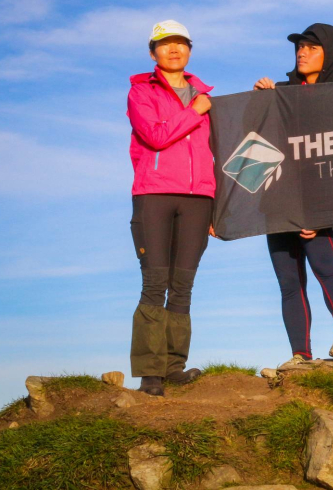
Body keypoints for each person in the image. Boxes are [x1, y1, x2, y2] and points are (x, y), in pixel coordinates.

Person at [251, 23, 333, 366]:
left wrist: (322, 211)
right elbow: (251, 144)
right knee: (288, 282)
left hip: (317, 206)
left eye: (312, 47)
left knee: (327, 269)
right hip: (277, 204)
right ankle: (300, 356)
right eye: (299, 46)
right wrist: (258, 104)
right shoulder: (279, 92)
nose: (302, 52)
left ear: (329, 56)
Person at [127, 20, 214, 396]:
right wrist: (195, 111)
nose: (174, 49)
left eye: (180, 43)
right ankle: (150, 374)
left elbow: (222, 154)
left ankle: (174, 367)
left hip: (200, 200)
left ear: (190, 50)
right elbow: (156, 137)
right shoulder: (141, 94)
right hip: (155, 195)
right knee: (155, 283)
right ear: (153, 53)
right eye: (165, 44)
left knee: (184, 285)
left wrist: (219, 207)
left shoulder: (207, 96)